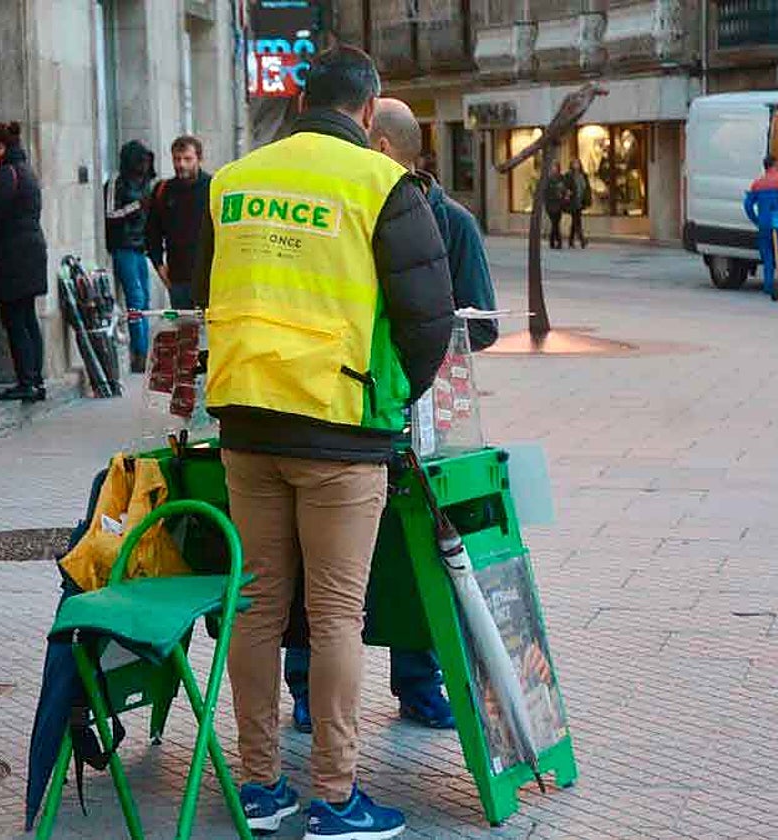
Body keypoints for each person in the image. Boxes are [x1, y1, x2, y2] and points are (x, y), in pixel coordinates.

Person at [193, 45, 454, 838]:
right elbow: (429, 317)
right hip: (339, 431)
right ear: (369, 111)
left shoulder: (234, 181)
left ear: (305, 99)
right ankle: (337, 799)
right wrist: (393, 394)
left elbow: (212, 288)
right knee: (336, 615)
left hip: (245, 423)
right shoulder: (381, 184)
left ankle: (261, 785)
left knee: (258, 607)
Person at [282, 98, 499, 736]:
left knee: (418, 551)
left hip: (420, 419)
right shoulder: (341, 209)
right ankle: (306, 689)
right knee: (313, 559)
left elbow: (480, 321)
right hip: (335, 415)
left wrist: (419, 349)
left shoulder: (451, 223)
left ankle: (419, 683)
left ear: (378, 146)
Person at [0, 121, 47, 402]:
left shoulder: (6, 174)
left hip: (14, 256)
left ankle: (27, 381)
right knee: (27, 317)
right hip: (29, 252)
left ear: (0, 147)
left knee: (15, 319)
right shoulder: (24, 171)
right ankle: (35, 380)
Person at [105, 140, 156, 372]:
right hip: (122, 245)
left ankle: (145, 351)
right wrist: (136, 207)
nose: (144, 167)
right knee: (135, 300)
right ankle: (140, 353)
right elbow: (110, 214)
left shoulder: (145, 182)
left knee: (144, 301)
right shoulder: (117, 182)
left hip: (139, 246)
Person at [146, 135, 212, 310]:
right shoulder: (163, 190)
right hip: (178, 279)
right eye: (177, 159)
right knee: (184, 333)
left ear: (199, 159)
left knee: (211, 334)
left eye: (187, 159)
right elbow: (152, 233)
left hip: (210, 280)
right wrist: (160, 267)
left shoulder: (213, 188)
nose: (181, 164)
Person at [744, 154, 778, 298]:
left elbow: (748, 205)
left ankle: (768, 286)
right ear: (775, 165)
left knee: (767, 255)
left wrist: (756, 220)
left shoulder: (757, 183)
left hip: (764, 224)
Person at [564, 159, 590, 248]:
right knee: (577, 221)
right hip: (572, 201)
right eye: (574, 164)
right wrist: (567, 193)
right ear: (571, 165)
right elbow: (565, 186)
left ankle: (571, 240)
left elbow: (587, 188)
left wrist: (587, 199)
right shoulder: (568, 175)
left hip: (580, 201)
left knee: (575, 221)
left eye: (577, 163)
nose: (576, 165)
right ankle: (582, 240)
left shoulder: (583, 175)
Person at [543, 161, 568, 250]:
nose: (554, 169)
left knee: (556, 223)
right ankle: (557, 241)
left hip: (559, 204)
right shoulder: (548, 179)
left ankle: (553, 241)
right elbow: (545, 192)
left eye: (555, 167)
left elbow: (565, 189)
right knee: (555, 223)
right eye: (553, 167)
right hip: (550, 204)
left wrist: (564, 195)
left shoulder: (561, 178)